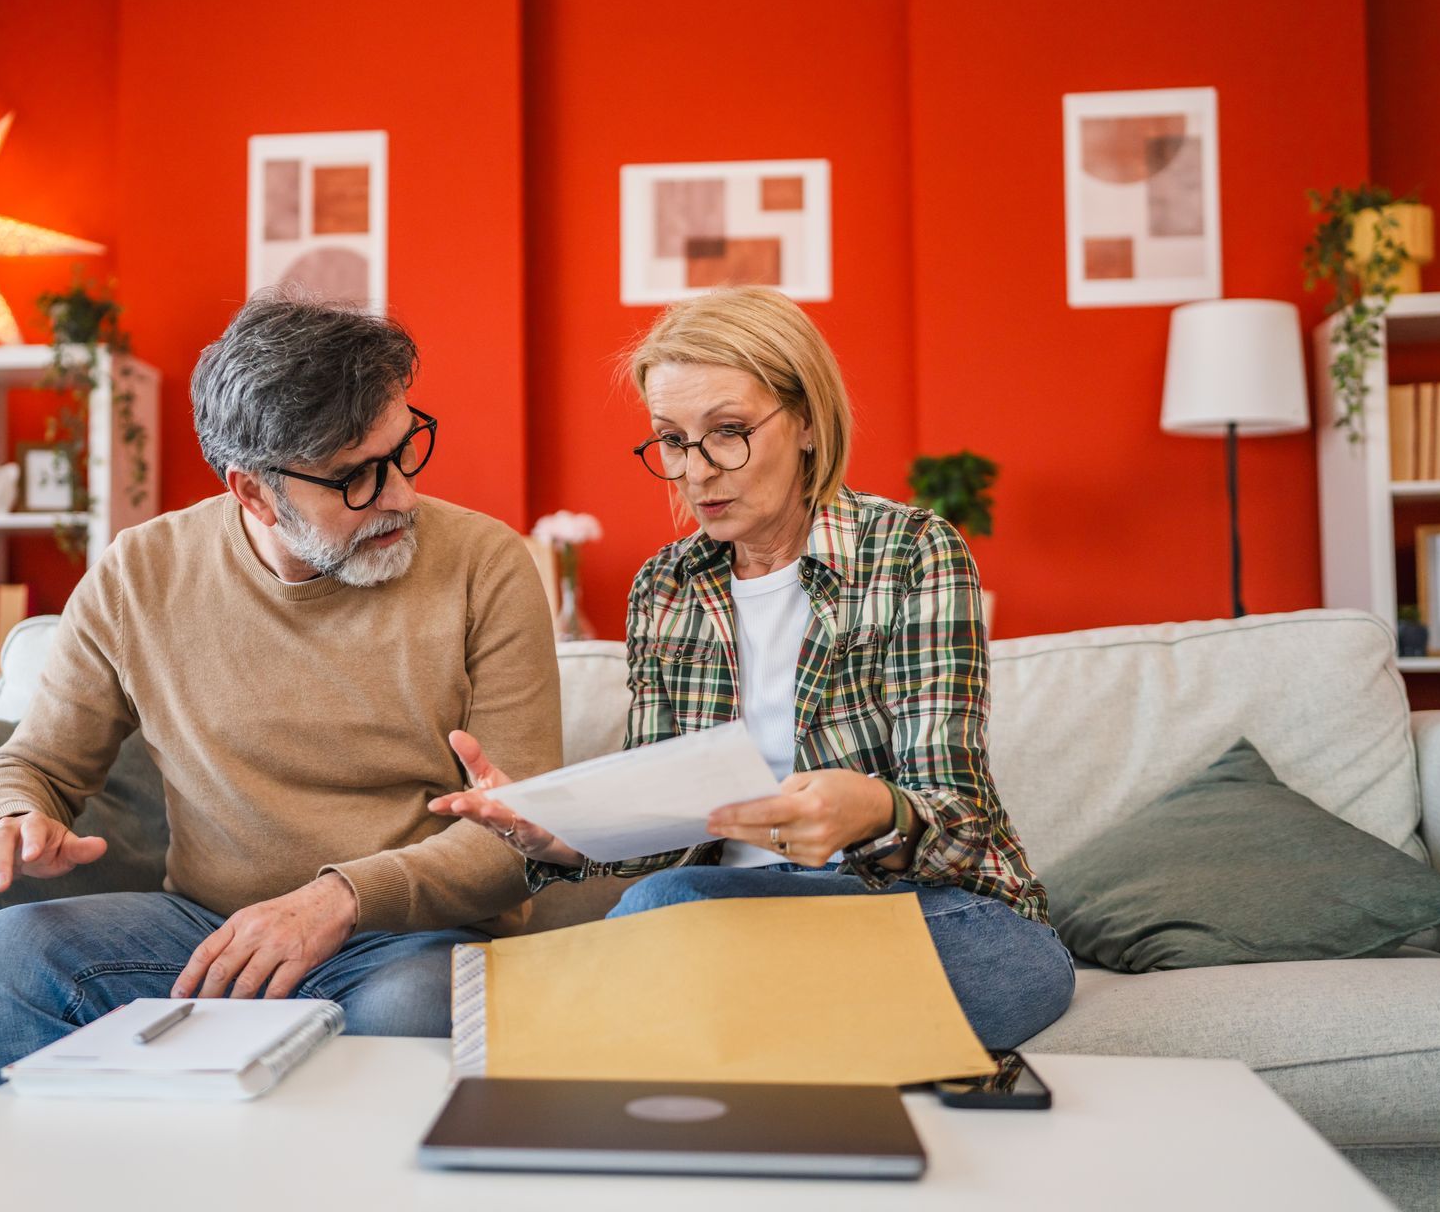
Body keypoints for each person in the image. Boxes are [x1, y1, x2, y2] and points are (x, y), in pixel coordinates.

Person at [0, 293, 561, 1096]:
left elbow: (519, 834)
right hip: (212, 931)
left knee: (417, 1008)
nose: (401, 494)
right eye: (356, 478)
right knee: (1, 961)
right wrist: (14, 816)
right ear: (254, 492)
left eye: (404, 451)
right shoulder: (142, 575)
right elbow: (38, 764)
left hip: (408, 935)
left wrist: (340, 898)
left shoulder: (488, 565)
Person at [433, 285, 1072, 1049]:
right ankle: (783, 1045)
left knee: (659, 930)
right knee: (669, 907)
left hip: (917, 905)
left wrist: (873, 808)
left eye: (728, 432)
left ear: (805, 422)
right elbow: (665, 825)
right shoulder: (665, 587)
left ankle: (718, 1034)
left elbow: (961, 824)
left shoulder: (913, 553)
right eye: (671, 440)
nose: (697, 471)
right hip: (730, 903)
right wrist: (560, 835)